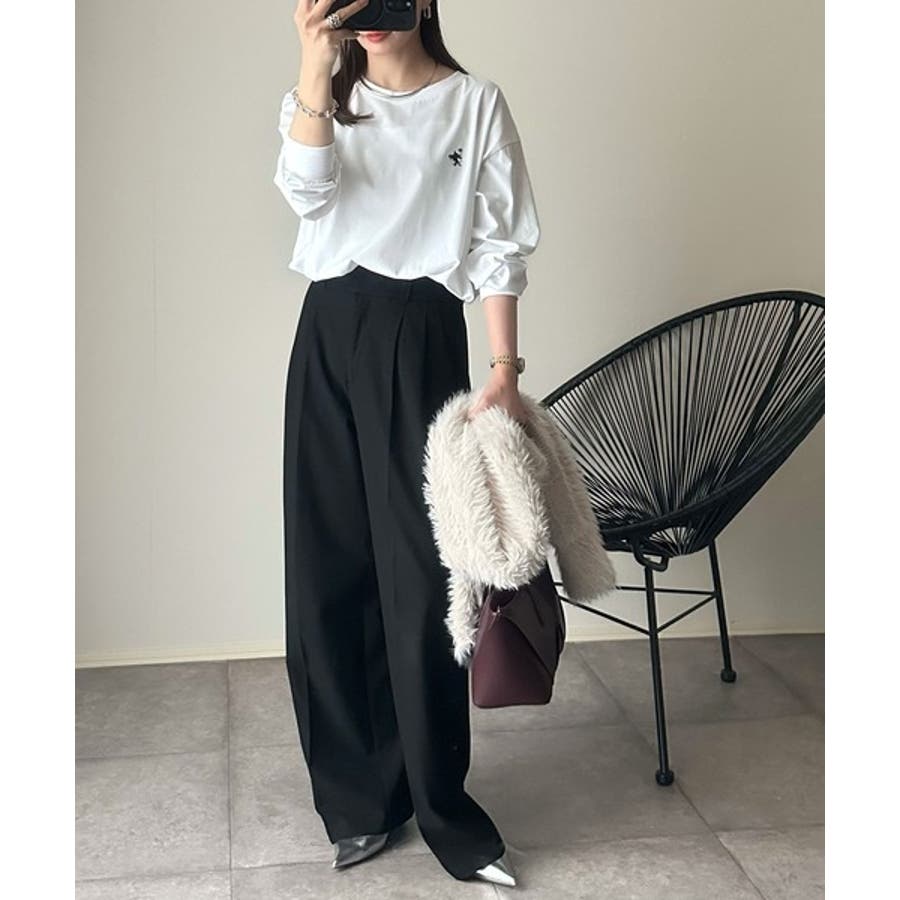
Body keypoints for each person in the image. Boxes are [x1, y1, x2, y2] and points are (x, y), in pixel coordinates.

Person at [274, 0, 540, 886]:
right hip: (327, 330)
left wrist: (504, 368)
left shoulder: (475, 103)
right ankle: (357, 803)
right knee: (327, 568)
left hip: (421, 333)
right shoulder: (322, 95)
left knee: (424, 580)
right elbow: (305, 193)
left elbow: (498, 243)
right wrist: (315, 68)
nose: (371, 13)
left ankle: (446, 813)